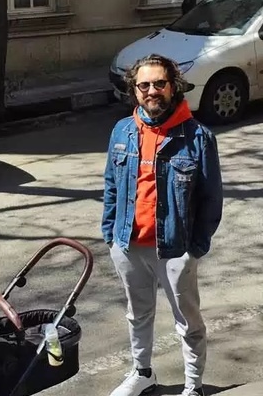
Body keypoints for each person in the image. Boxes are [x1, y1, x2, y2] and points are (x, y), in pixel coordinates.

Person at [101, 54, 223, 396]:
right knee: (137, 314)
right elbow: (111, 186)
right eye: (144, 85)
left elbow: (211, 199)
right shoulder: (122, 131)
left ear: (173, 87)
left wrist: (194, 249)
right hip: (128, 244)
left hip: (175, 248)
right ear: (134, 90)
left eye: (159, 83)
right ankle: (142, 374)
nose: (151, 91)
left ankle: (193, 386)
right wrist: (110, 235)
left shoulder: (198, 137)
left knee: (188, 321)